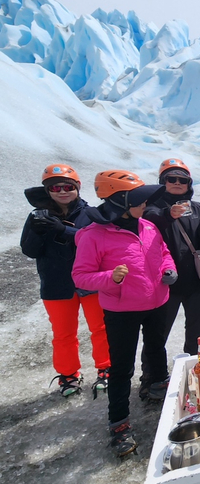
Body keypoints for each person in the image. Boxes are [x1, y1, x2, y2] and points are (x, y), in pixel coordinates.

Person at [72, 169, 174, 458]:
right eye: (139, 199)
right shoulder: (94, 235)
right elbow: (80, 276)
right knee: (121, 368)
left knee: (157, 349)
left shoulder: (148, 226)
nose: (146, 204)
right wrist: (110, 278)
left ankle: (155, 387)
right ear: (119, 201)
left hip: (156, 302)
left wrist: (169, 269)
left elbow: (163, 252)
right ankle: (119, 424)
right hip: (122, 310)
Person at [21, 164, 111, 398]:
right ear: (47, 190)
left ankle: (106, 368)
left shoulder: (90, 214)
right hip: (55, 283)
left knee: (101, 328)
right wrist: (38, 231)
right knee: (63, 334)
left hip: (89, 281)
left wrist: (62, 230)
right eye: (55, 187)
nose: (62, 191)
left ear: (78, 188)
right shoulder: (37, 216)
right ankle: (68, 374)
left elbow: (96, 244)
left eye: (68, 186)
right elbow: (29, 250)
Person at [143, 158, 200, 358]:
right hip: (164, 282)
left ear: (189, 184)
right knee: (158, 333)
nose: (177, 183)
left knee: (196, 333)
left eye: (182, 180)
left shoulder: (199, 208)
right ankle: (152, 378)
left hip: (195, 283)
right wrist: (168, 214)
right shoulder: (151, 207)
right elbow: (149, 222)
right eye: (171, 178)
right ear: (162, 181)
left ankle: (195, 369)